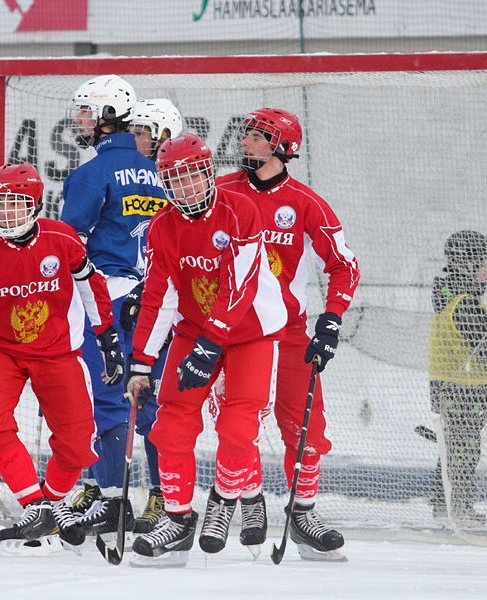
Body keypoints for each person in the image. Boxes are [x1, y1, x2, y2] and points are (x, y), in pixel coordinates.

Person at [0, 163, 124, 550]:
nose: (3, 213)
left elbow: (91, 287)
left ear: (33, 205)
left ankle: (52, 502)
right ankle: (34, 504)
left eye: (13, 203)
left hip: (57, 351)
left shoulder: (62, 239)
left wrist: (107, 338)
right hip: (0, 351)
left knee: (79, 439)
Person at [124, 133, 286, 566]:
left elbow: (241, 284)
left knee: (238, 427)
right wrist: (141, 360)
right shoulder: (162, 227)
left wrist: (209, 346)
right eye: (173, 180)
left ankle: (228, 495)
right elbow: (159, 295)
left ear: (208, 172)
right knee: (171, 423)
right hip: (194, 331)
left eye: (192, 176)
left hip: (251, 331)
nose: (185, 188)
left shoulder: (240, 210)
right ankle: (178, 521)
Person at [216, 108, 360, 561]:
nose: (248, 144)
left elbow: (343, 265)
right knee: (239, 425)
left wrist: (331, 318)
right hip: (234, 333)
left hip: (288, 331)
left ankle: (302, 514)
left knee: (306, 429)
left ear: (283, 147)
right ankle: (251, 500)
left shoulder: (304, 202)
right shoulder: (219, 193)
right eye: (248, 136)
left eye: (259, 138)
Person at [60, 75, 169, 536]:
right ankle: (167, 499)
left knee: (107, 399)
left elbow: (68, 248)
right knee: (152, 402)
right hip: (156, 303)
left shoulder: (90, 174)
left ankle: (111, 500)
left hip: (106, 301)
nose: (79, 121)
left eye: (86, 112)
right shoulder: (161, 172)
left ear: (107, 116)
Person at [120, 98, 184, 534]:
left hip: (174, 316)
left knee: (166, 411)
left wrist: (149, 292)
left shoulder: (180, 187)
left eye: (144, 130)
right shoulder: (127, 181)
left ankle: (169, 495)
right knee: (135, 404)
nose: (135, 138)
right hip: (137, 310)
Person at [428, 230, 487, 526]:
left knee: (454, 445)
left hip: (452, 387)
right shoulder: (466, 304)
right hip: (463, 390)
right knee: (465, 451)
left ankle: (441, 502)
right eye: (484, 263)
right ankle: (457, 508)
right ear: (467, 265)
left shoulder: (451, 297)